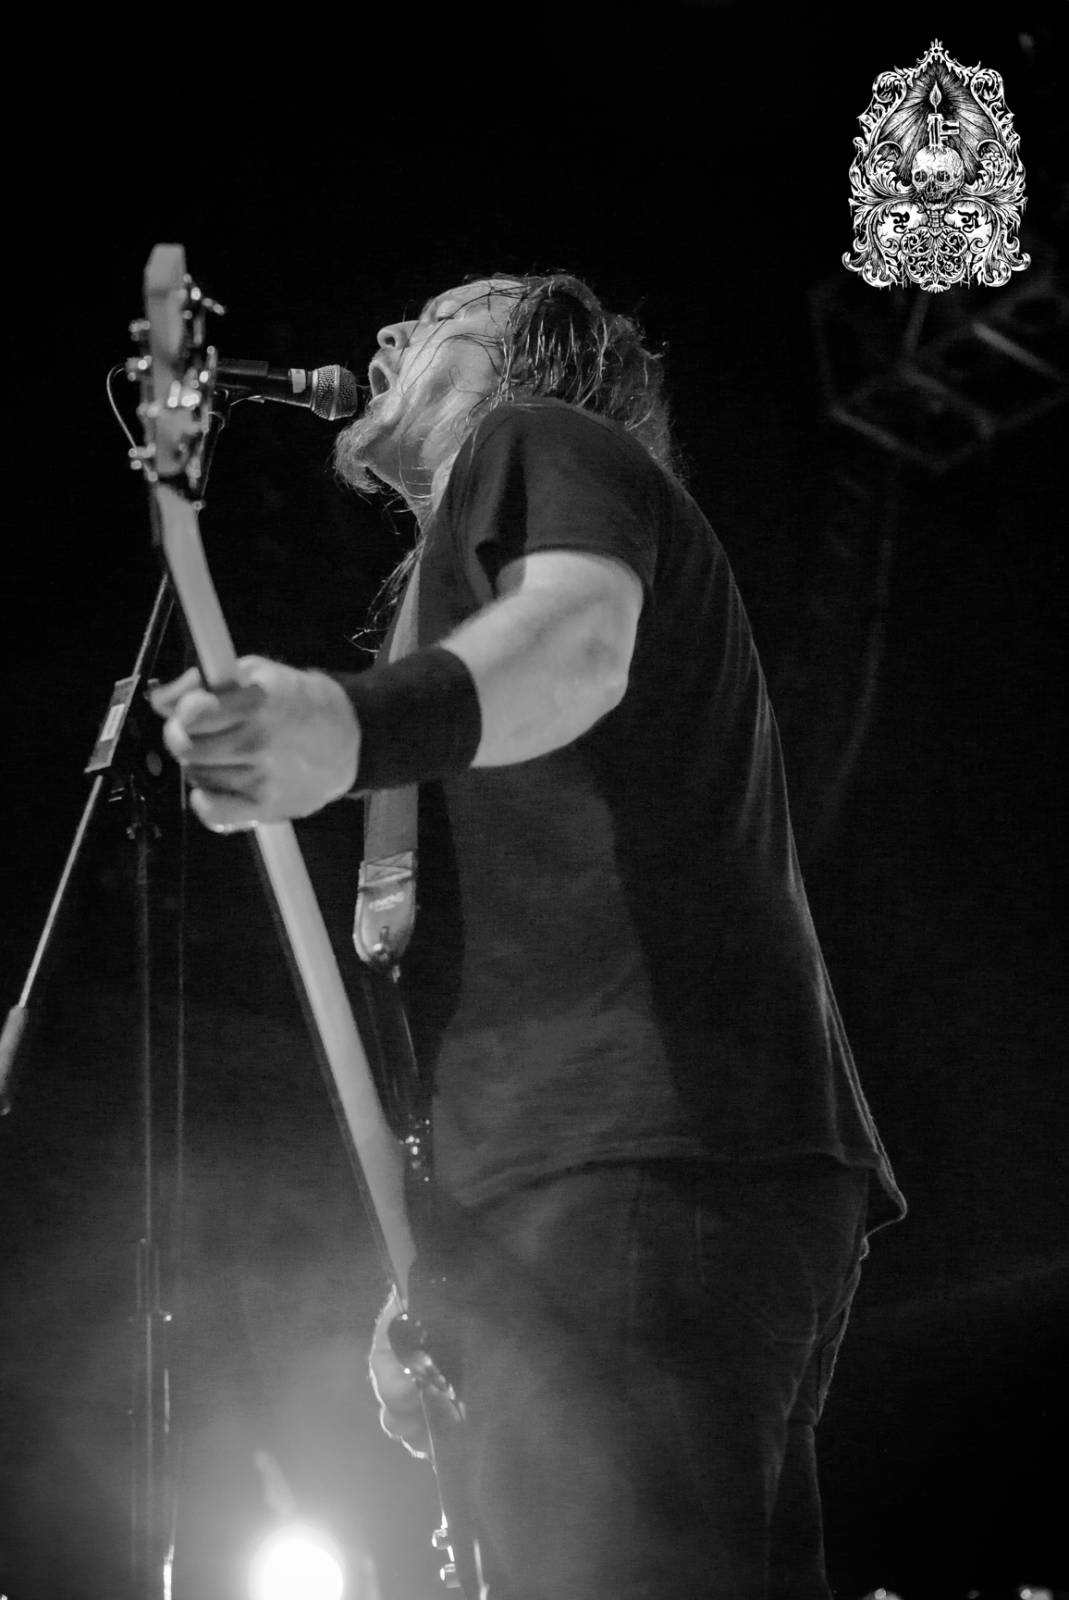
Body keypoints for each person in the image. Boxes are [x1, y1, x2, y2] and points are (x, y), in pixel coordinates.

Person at [151, 273, 905, 1600]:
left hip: (635, 1152)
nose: (386, 331)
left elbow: (577, 645)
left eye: (440, 315)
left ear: (528, 351)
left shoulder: (542, 437)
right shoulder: (456, 582)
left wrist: (346, 729)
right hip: (629, 1174)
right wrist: (440, 1261)